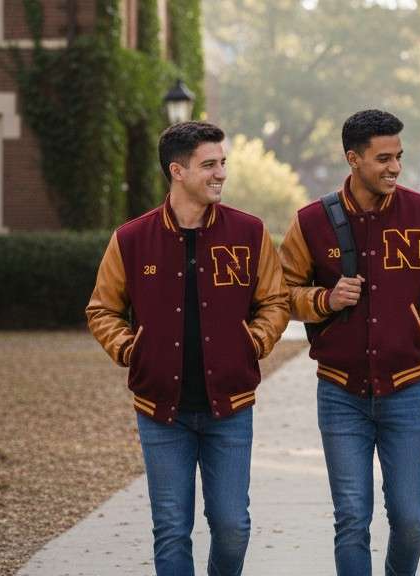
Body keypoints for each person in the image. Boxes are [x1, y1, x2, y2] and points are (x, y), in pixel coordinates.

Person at [86, 121, 290, 575]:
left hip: (230, 407)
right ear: (177, 171)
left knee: (233, 527)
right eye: (209, 165)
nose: (221, 174)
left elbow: (275, 301)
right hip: (161, 411)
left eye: (223, 163)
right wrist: (129, 349)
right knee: (171, 529)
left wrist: (255, 340)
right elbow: (102, 309)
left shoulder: (249, 232)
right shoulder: (131, 239)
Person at [280, 109, 420, 576]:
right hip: (339, 392)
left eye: (399, 157)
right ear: (353, 159)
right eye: (383, 158)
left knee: (411, 519)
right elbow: (280, 293)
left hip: (406, 389)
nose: (395, 167)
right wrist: (324, 299)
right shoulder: (311, 221)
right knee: (351, 519)